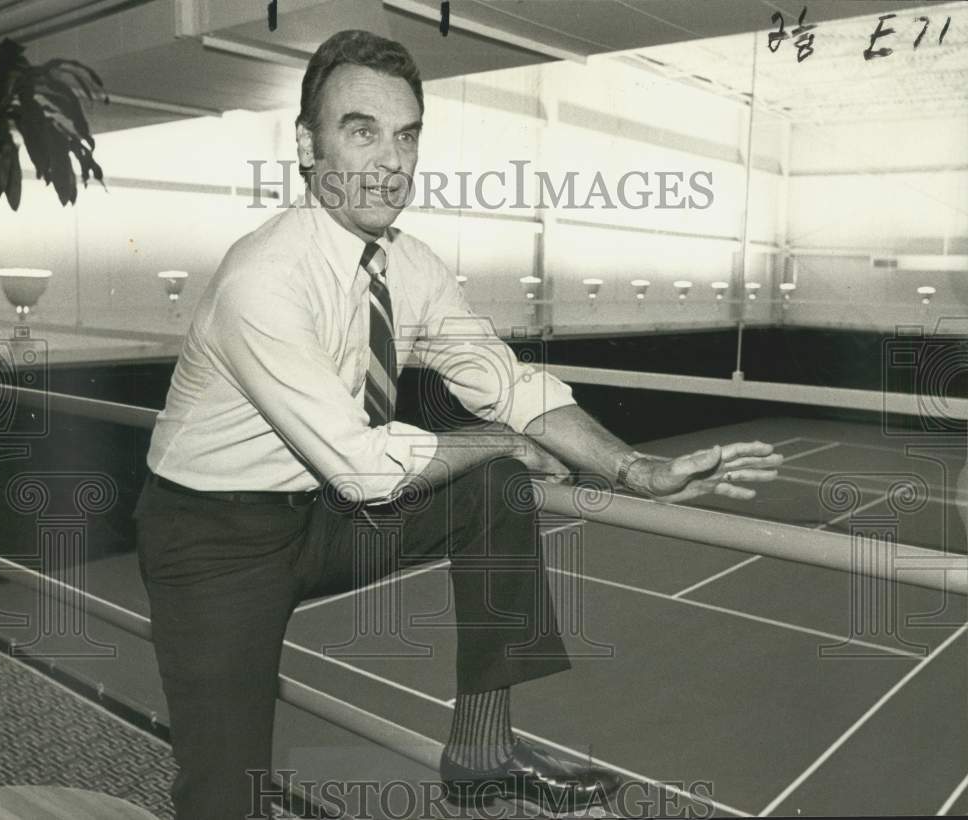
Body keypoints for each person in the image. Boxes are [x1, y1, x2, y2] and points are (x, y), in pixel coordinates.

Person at [134, 29, 782, 820]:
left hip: (324, 518)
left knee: (494, 488)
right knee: (226, 799)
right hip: (213, 543)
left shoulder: (408, 266)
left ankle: (481, 748)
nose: (390, 160)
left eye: (406, 135)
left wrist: (635, 471)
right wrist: (503, 440)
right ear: (307, 146)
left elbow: (506, 383)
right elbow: (366, 468)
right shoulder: (263, 278)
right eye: (360, 129)